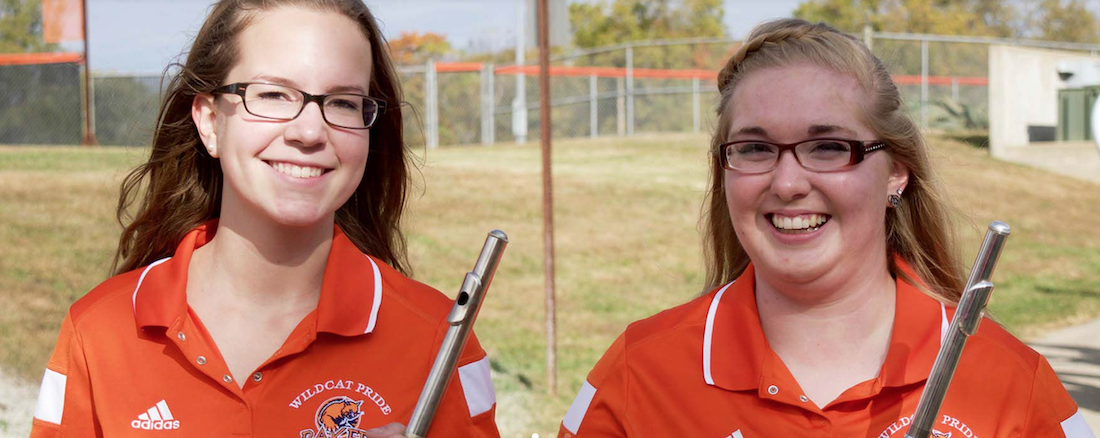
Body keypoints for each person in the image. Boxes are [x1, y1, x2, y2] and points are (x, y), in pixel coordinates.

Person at [559, 19, 1095, 438]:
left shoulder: (1012, 384)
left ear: (897, 172)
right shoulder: (641, 371)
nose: (788, 182)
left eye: (829, 147)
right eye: (755, 148)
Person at [29, 1, 499, 437]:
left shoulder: (439, 340)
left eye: (342, 102)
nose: (310, 131)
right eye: (274, 95)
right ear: (210, 121)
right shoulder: (97, 333)